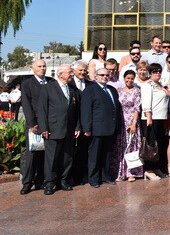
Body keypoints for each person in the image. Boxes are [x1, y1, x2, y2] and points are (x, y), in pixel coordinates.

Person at [37, 64, 81, 195]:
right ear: (60, 74)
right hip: (53, 129)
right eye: (69, 72)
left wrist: (77, 127)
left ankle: (63, 180)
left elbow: (76, 110)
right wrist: (43, 127)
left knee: (67, 158)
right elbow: (42, 109)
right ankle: (49, 183)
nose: (72, 75)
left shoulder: (73, 89)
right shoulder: (48, 88)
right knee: (52, 158)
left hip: (69, 129)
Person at [81, 68, 120, 187]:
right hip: (96, 129)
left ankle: (105, 176)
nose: (104, 77)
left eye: (106, 75)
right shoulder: (90, 90)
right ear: (96, 76)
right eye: (101, 75)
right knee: (95, 155)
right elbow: (86, 110)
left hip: (111, 128)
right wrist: (86, 128)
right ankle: (93, 178)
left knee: (107, 154)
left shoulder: (112, 90)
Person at [20, 60, 47, 194]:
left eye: (44, 66)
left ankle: (40, 181)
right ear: (33, 69)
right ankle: (27, 183)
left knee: (44, 154)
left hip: (49, 124)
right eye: (39, 66)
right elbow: (26, 105)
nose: (42, 68)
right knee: (32, 154)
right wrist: (32, 124)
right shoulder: (27, 84)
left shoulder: (51, 82)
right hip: (35, 124)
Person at [111, 70, 143, 182]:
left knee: (131, 147)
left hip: (131, 121)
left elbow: (136, 108)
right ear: (124, 78)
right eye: (127, 78)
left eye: (132, 78)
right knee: (120, 146)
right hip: (121, 121)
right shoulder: (118, 91)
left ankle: (131, 173)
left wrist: (134, 123)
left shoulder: (136, 91)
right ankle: (120, 173)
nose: (129, 80)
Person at [141, 63, 170, 180]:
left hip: (161, 118)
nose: (157, 73)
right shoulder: (148, 85)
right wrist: (149, 116)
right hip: (151, 119)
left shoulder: (160, 85)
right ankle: (148, 170)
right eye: (154, 71)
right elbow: (146, 101)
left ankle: (156, 167)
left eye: (159, 71)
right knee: (150, 145)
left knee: (159, 144)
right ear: (150, 73)